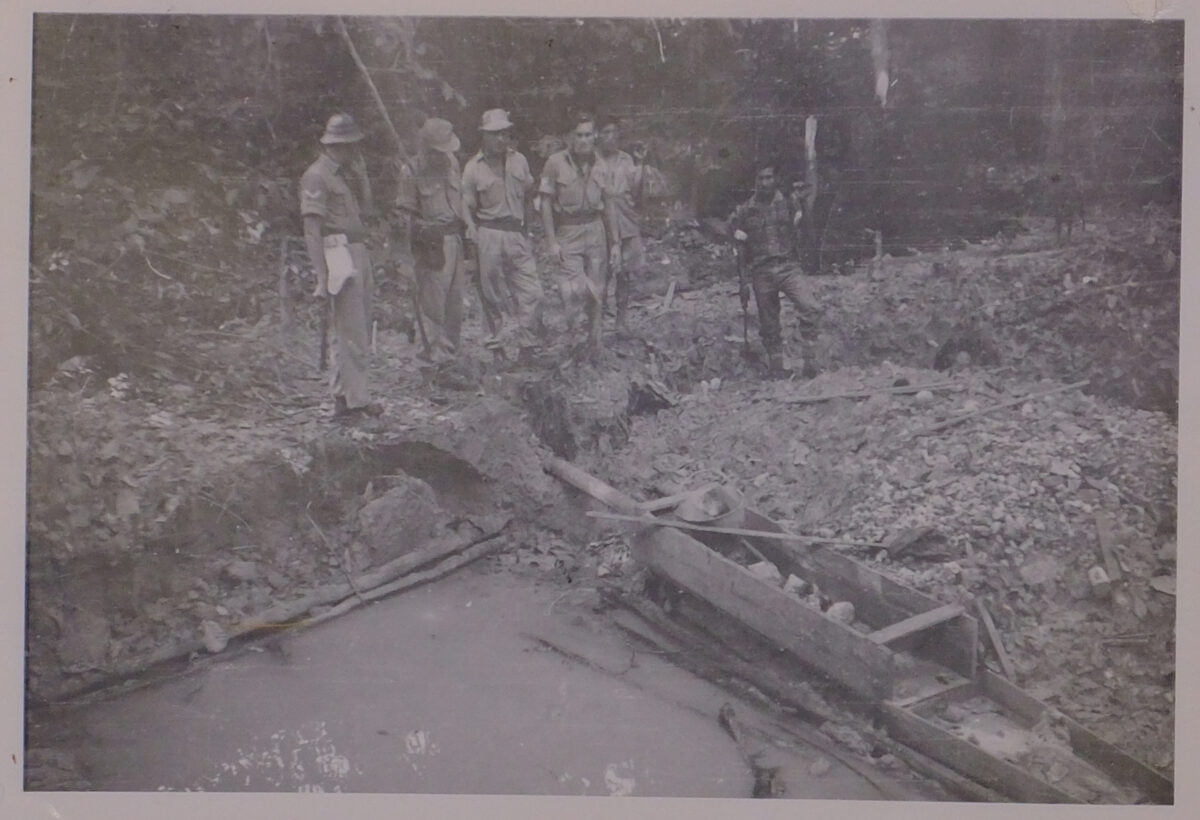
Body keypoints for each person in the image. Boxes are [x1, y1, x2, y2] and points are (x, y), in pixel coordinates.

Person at [300, 113, 383, 418]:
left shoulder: (344, 175)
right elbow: (311, 230)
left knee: (355, 326)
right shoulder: (317, 176)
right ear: (338, 145)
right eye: (351, 146)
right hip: (337, 252)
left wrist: (362, 179)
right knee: (352, 332)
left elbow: (368, 213)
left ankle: (343, 395)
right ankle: (356, 400)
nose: (355, 152)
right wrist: (321, 277)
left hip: (356, 249)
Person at [461, 108, 543, 365]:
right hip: (489, 232)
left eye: (504, 134)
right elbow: (466, 204)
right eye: (494, 134)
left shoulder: (519, 160)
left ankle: (527, 347)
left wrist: (528, 229)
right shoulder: (473, 168)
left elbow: (529, 195)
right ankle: (496, 348)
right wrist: (471, 229)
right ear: (484, 136)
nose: (500, 139)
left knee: (532, 292)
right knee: (491, 294)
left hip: (516, 232)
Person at [729, 164, 821, 379]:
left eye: (768, 178)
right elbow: (740, 249)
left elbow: (807, 231)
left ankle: (810, 361)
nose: (764, 183)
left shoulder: (789, 203)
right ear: (755, 182)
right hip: (762, 271)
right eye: (760, 178)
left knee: (810, 306)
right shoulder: (744, 211)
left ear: (775, 179)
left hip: (789, 266)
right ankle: (776, 368)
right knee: (769, 321)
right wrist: (742, 282)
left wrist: (805, 203)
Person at [540, 112, 621, 352]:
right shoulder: (555, 163)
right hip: (568, 230)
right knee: (572, 290)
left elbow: (609, 205)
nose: (584, 140)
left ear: (594, 136)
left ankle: (595, 343)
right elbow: (545, 203)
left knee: (598, 290)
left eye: (588, 134)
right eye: (579, 135)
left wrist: (615, 242)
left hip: (595, 230)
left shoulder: (601, 164)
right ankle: (574, 342)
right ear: (569, 137)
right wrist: (552, 241)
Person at [395, 117, 466, 363]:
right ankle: (430, 357)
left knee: (455, 303)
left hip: (454, 238)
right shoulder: (411, 172)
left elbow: (460, 201)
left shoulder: (452, 163)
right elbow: (405, 218)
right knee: (432, 304)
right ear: (427, 148)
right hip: (431, 244)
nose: (443, 156)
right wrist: (407, 258)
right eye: (438, 151)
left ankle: (449, 354)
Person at [595, 115, 647, 332]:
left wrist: (640, 163)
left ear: (619, 135)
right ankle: (597, 322)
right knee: (600, 273)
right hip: (601, 223)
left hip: (626, 221)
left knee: (625, 273)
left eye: (613, 132)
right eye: (605, 132)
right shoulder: (592, 158)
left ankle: (621, 320)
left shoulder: (626, 159)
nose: (609, 137)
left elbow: (636, 190)